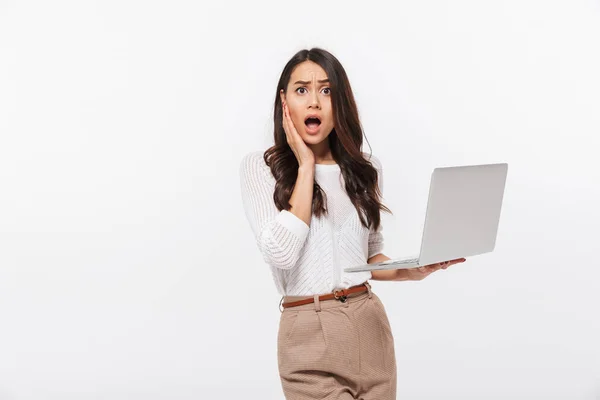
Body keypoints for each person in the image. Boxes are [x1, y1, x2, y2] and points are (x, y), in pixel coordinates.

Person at [239, 47, 466, 400]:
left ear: (340, 102)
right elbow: (281, 254)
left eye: (326, 90)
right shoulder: (262, 169)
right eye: (301, 90)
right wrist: (305, 166)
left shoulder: (364, 170)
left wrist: (415, 269)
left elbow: (370, 259)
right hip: (307, 334)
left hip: (369, 325)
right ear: (283, 102)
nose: (314, 102)